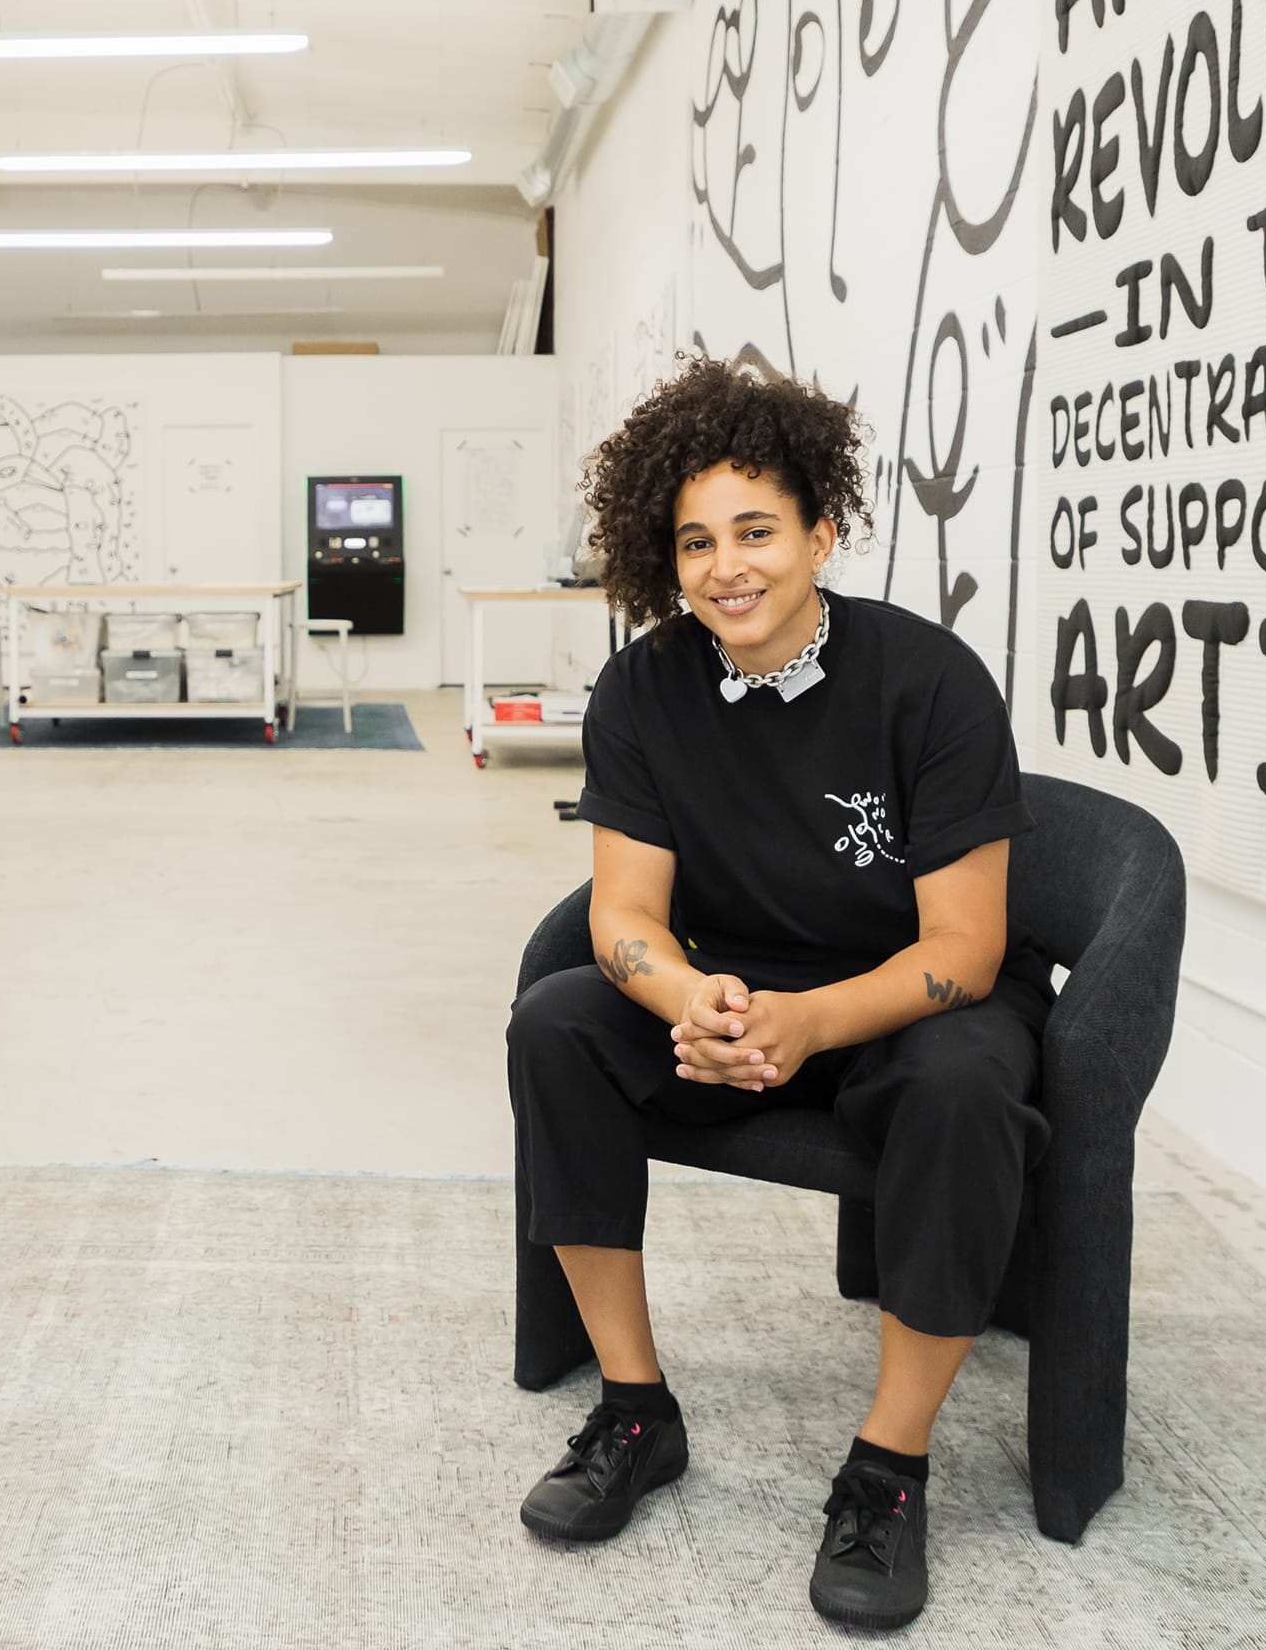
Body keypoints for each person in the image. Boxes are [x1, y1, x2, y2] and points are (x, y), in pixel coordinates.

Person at [505, 357, 1046, 1632]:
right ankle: (637, 1410)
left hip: (914, 1001)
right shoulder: (642, 688)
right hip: (737, 987)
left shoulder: (930, 680)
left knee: (968, 1084)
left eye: (757, 530)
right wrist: (693, 996)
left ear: (824, 531)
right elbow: (622, 912)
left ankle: (889, 1467)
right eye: (696, 541)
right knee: (559, 1022)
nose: (725, 567)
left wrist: (809, 1023)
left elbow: (965, 950)